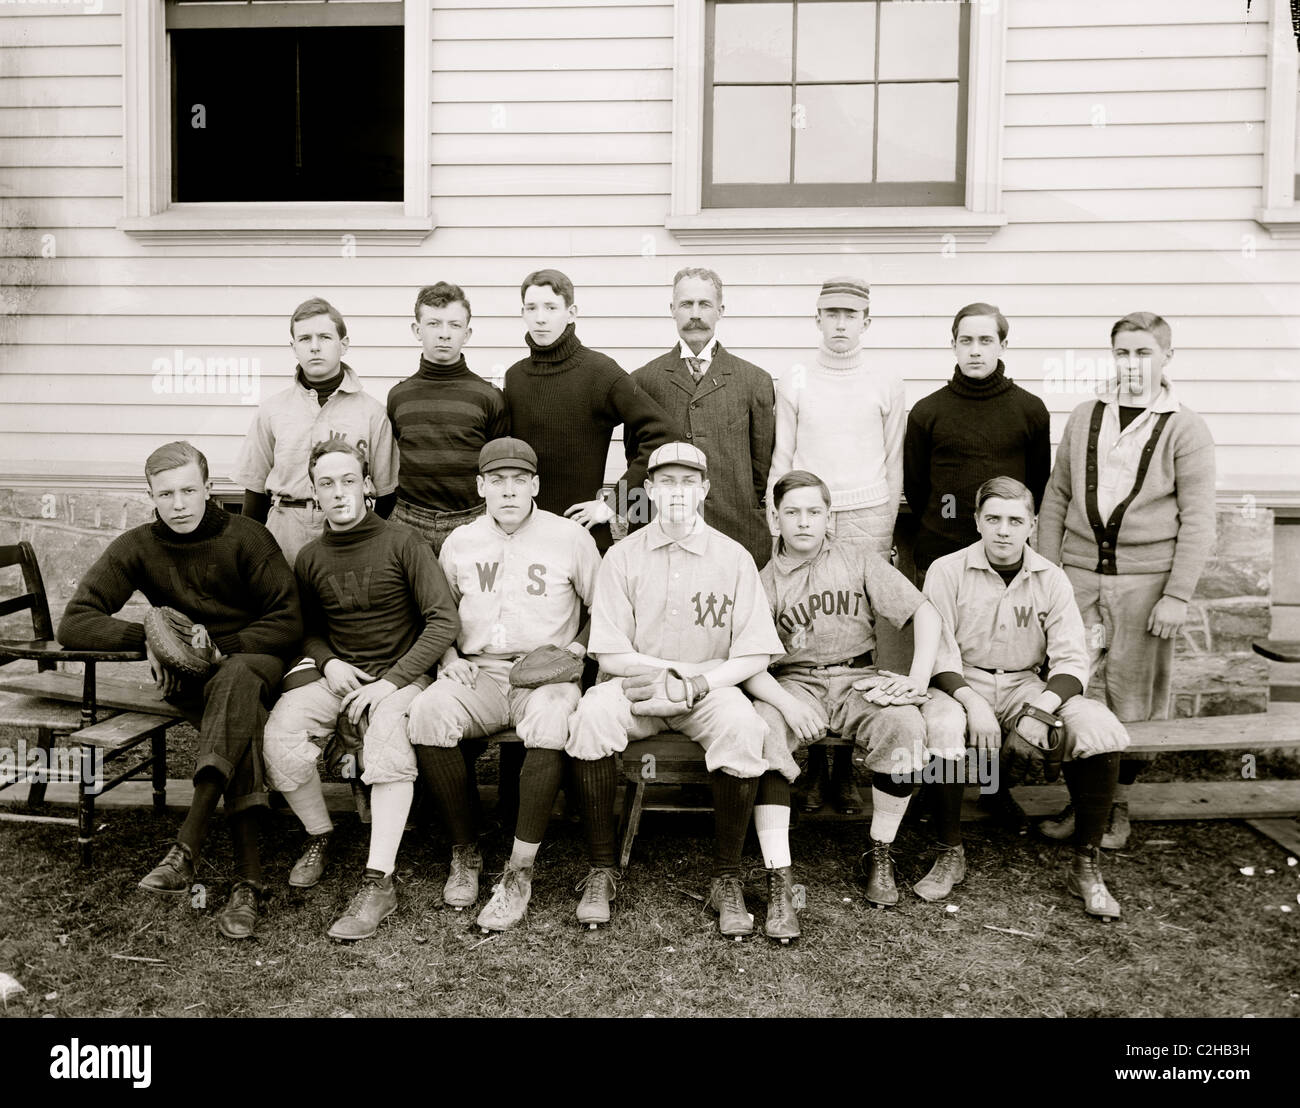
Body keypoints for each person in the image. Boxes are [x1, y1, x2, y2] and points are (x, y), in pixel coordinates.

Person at [59, 441, 302, 939]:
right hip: (191, 678)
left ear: (209, 489)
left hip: (254, 660)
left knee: (234, 681)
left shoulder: (249, 538)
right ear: (150, 495)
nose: (179, 504)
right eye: (166, 494)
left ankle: (188, 843)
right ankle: (247, 884)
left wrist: (221, 646)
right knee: (237, 716)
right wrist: (152, 635)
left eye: (189, 490)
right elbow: (75, 622)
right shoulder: (138, 546)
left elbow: (288, 621)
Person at [566, 442, 784, 937]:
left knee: (743, 727)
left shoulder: (734, 558)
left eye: (689, 481)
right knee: (592, 716)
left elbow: (752, 653)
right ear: (649, 490)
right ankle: (602, 869)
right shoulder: (621, 556)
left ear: (705, 489)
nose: (678, 492)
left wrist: (700, 680)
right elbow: (609, 652)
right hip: (638, 683)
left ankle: (725, 877)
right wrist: (671, 672)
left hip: (708, 688)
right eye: (667, 482)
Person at [744, 470, 962, 935]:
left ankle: (879, 850)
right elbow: (749, 663)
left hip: (858, 675)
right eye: (792, 513)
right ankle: (779, 875)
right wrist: (786, 704)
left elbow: (924, 611)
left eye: (814, 512)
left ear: (829, 518)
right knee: (762, 731)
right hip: (794, 681)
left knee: (903, 726)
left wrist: (918, 677)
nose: (804, 522)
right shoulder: (761, 581)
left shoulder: (858, 559)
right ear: (774, 518)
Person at [261, 438, 459, 941]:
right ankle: (320, 837)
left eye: (349, 480)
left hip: (402, 675)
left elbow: (441, 622)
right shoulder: (309, 557)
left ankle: (379, 880)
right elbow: (305, 629)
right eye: (326, 484)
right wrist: (327, 664)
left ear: (368, 486)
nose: (339, 492)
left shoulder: (402, 543)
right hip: (342, 675)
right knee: (282, 732)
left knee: (388, 739)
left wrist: (392, 681)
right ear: (314, 494)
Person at [405, 437, 601, 932]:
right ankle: (465, 850)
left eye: (519, 480)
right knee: (429, 712)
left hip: (547, 673)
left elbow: (608, 610)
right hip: (481, 671)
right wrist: (447, 656)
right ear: (481, 486)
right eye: (497, 481)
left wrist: (577, 649)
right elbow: (439, 611)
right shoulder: (460, 541)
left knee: (555, 718)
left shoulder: (570, 537)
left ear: (535, 485)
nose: (508, 491)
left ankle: (519, 871)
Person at [1036, 312, 1216, 848]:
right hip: (1079, 579)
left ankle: (1117, 808)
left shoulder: (1185, 426)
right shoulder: (1086, 414)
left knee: (1132, 695)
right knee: (1075, 687)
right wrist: (1050, 577)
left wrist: (1177, 594)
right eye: (1123, 353)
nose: (1132, 364)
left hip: (1146, 586)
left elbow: (1199, 519)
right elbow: (1056, 498)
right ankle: (1081, 801)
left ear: (1166, 357)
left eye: (1143, 353)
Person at [918, 477, 1131, 918]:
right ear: (976, 521)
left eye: (1015, 520)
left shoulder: (1052, 578)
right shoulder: (946, 569)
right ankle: (949, 851)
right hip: (959, 682)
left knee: (1099, 727)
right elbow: (936, 653)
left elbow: (1072, 661)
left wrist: (1039, 712)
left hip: (1025, 685)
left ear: (1032, 524)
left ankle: (1086, 864)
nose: (1003, 530)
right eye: (992, 518)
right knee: (942, 725)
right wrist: (973, 705)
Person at [769, 276, 905, 812]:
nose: (841, 323)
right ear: (818, 318)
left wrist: (886, 524)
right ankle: (808, 760)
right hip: (807, 509)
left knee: (854, 626)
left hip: (868, 511)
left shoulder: (887, 379)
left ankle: (847, 767)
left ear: (867, 321)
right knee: (807, 627)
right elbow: (784, 453)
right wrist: (776, 523)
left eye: (851, 314)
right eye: (831, 313)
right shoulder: (796, 378)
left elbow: (893, 461)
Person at [503, 268, 674, 554]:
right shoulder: (515, 378)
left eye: (551, 307)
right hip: (522, 536)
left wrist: (614, 503)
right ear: (523, 313)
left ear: (571, 313)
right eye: (531, 308)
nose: (540, 317)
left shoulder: (599, 372)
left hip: (582, 535)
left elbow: (664, 434)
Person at [233, 297, 399, 564]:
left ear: (343, 345)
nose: (314, 347)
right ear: (293, 347)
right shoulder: (272, 410)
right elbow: (254, 494)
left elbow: (387, 494)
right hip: (285, 531)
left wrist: (372, 545)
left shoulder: (372, 412)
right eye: (305, 339)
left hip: (350, 532)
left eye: (324, 337)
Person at [631, 267, 775, 567]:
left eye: (704, 304)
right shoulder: (645, 381)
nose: (695, 314)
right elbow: (638, 457)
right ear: (672, 310)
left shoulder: (753, 380)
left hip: (734, 528)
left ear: (720, 310)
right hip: (665, 530)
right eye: (686, 304)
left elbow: (760, 467)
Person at [903, 302, 1051, 582]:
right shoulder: (927, 411)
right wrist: (947, 513)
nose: (975, 350)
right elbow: (917, 487)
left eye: (986, 341)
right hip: (939, 556)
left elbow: (1036, 484)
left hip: (1007, 558)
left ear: (1003, 345)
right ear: (953, 345)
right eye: (966, 340)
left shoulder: (1030, 410)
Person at [387, 281, 510, 555]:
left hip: (471, 520)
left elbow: (497, 466)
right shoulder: (399, 396)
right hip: (409, 522)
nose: (444, 334)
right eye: (434, 324)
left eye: (454, 325)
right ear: (417, 330)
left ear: (467, 334)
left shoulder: (488, 396)